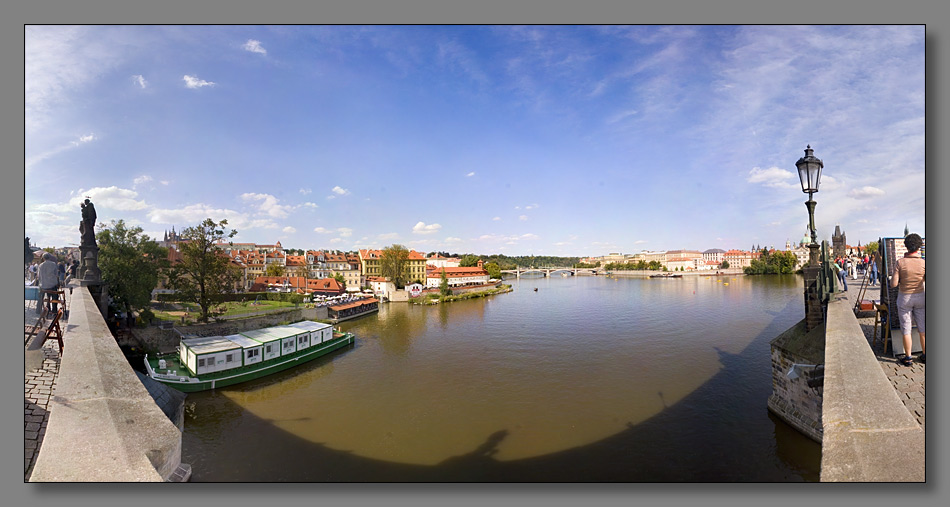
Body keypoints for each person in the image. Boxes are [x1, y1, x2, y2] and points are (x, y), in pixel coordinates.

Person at [890, 233, 925, 366]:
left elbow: (893, 284)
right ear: (919, 246)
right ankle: (925, 354)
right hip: (920, 296)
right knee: (923, 327)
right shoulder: (923, 262)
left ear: (906, 246)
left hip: (904, 297)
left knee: (906, 328)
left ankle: (908, 357)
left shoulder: (900, 262)